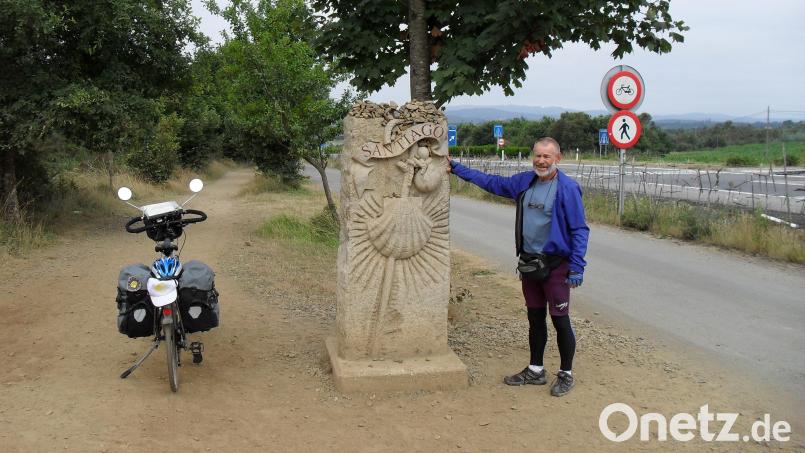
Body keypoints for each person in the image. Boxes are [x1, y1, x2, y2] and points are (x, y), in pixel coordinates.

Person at [448, 137, 589, 397]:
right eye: (538, 156)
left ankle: (566, 373)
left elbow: (579, 229)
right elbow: (491, 182)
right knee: (535, 318)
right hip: (530, 264)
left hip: (556, 266)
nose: (541, 161)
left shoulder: (567, 189)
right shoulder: (525, 182)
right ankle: (535, 370)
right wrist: (456, 168)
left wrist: (577, 267)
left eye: (547, 156)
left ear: (557, 158)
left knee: (560, 320)